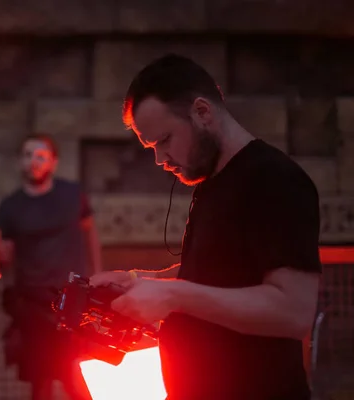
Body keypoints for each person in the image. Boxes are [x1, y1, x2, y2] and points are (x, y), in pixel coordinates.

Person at [90, 54, 322, 400]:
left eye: (165, 140)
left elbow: (293, 311)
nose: (160, 160)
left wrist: (173, 295)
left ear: (202, 112)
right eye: (151, 147)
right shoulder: (212, 182)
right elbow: (214, 274)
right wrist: (140, 281)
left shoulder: (275, 179)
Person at [0, 133, 101, 400]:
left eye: (40, 156)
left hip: (71, 299)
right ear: (20, 161)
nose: (34, 161)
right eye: (27, 155)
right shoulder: (11, 206)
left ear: (53, 162)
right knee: (40, 376)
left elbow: (89, 233)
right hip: (32, 302)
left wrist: (97, 274)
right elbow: (7, 258)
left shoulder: (72, 194)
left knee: (74, 373)